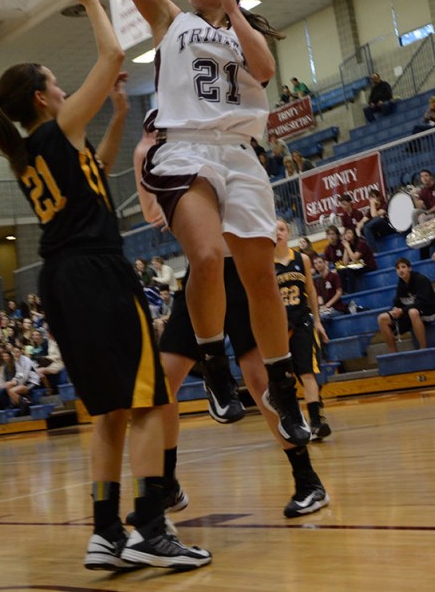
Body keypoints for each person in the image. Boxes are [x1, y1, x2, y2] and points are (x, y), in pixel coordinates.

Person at [0, 0, 210, 571]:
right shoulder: (57, 127)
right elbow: (112, 55)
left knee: (110, 408)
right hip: (95, 274)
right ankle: (152, 529)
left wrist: (113, 114)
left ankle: (106, 532)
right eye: (56, 85)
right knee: (147, 402)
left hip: (63, 281)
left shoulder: (33, 151)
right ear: (41, 98)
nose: (62, 90)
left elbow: (97, 171)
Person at [86, 0, 310, 449]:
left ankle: (283, 385)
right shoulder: (170, 21)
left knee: (260, 276)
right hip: (184, 147)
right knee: (207, 255)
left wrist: (236, 9)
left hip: (240, 153)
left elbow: (263, 71)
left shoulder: (242, 33)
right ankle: (213, 365)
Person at [133, 142, 329, 518]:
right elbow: (151, 211)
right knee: (162, 383)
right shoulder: (165, 143)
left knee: (259, 381)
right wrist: (145, 149)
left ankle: (308, 482)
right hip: (202, 275)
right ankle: (168, 484)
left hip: (240, 271)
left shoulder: (225, 131)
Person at [274, 218, 331, 441]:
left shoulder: (303, 259)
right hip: (278, 327)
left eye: (281, 229)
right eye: (273, 230)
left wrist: (317, 321)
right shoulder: (265, 263)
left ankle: (316, 422)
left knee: (307, 372)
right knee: (284, 379)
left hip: (302, 322)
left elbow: (310, 291)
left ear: (288, 232)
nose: (277, 233)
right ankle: (291, 421)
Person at [377, 258, 435, 352]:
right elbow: (397, 302)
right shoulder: (401, 283)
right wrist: (395, 309)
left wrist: (402, 311)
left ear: (409, 268)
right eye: (398, 268)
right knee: (382, 318)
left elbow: (422, 303)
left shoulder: (421, 280)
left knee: (413, 312)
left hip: (429, 313)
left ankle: (423, 349)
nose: (400, 270)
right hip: (411, 314)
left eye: (403, 267)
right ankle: (394, 353)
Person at [340, 227, 377, 293]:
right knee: (341, 269)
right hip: (359, 265)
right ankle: (344, 292)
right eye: (346, 233)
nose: (347, 235)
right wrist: (346, 248)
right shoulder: (349, 245)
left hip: (368, 265)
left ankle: (352, 292)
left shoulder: (361, 243)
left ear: (354, 234)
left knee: (349, 269)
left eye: (349, 233)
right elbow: (345, 263)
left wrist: (348, 247)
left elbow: (354, 259)